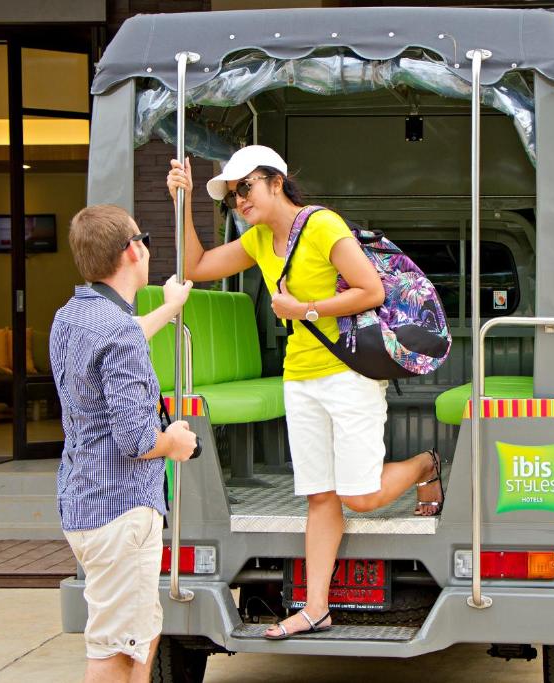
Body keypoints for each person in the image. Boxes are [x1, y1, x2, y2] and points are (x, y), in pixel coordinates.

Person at [166, 146, 444, 640]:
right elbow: (197, 264)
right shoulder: (257, 239)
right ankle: (316, 608)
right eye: (232, 197)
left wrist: (305, 310)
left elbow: (371, 291)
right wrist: (183, 202)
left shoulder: (322, 226)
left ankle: (426, 464)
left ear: (276, 181)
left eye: (246, 187)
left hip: (349, 373)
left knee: (360, 497)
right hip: (300, 377)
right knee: (320, 495)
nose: (240, 200)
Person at [52, 204, 198, 682]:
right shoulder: (117, 332)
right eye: (145, 240)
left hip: (84, 501)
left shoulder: (72, 317)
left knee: (140, 635)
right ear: (133, 250)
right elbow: (137, 440)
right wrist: (174, 441)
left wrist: (170, 308)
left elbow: (121, 337)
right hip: (122, 511)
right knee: (115, 651)